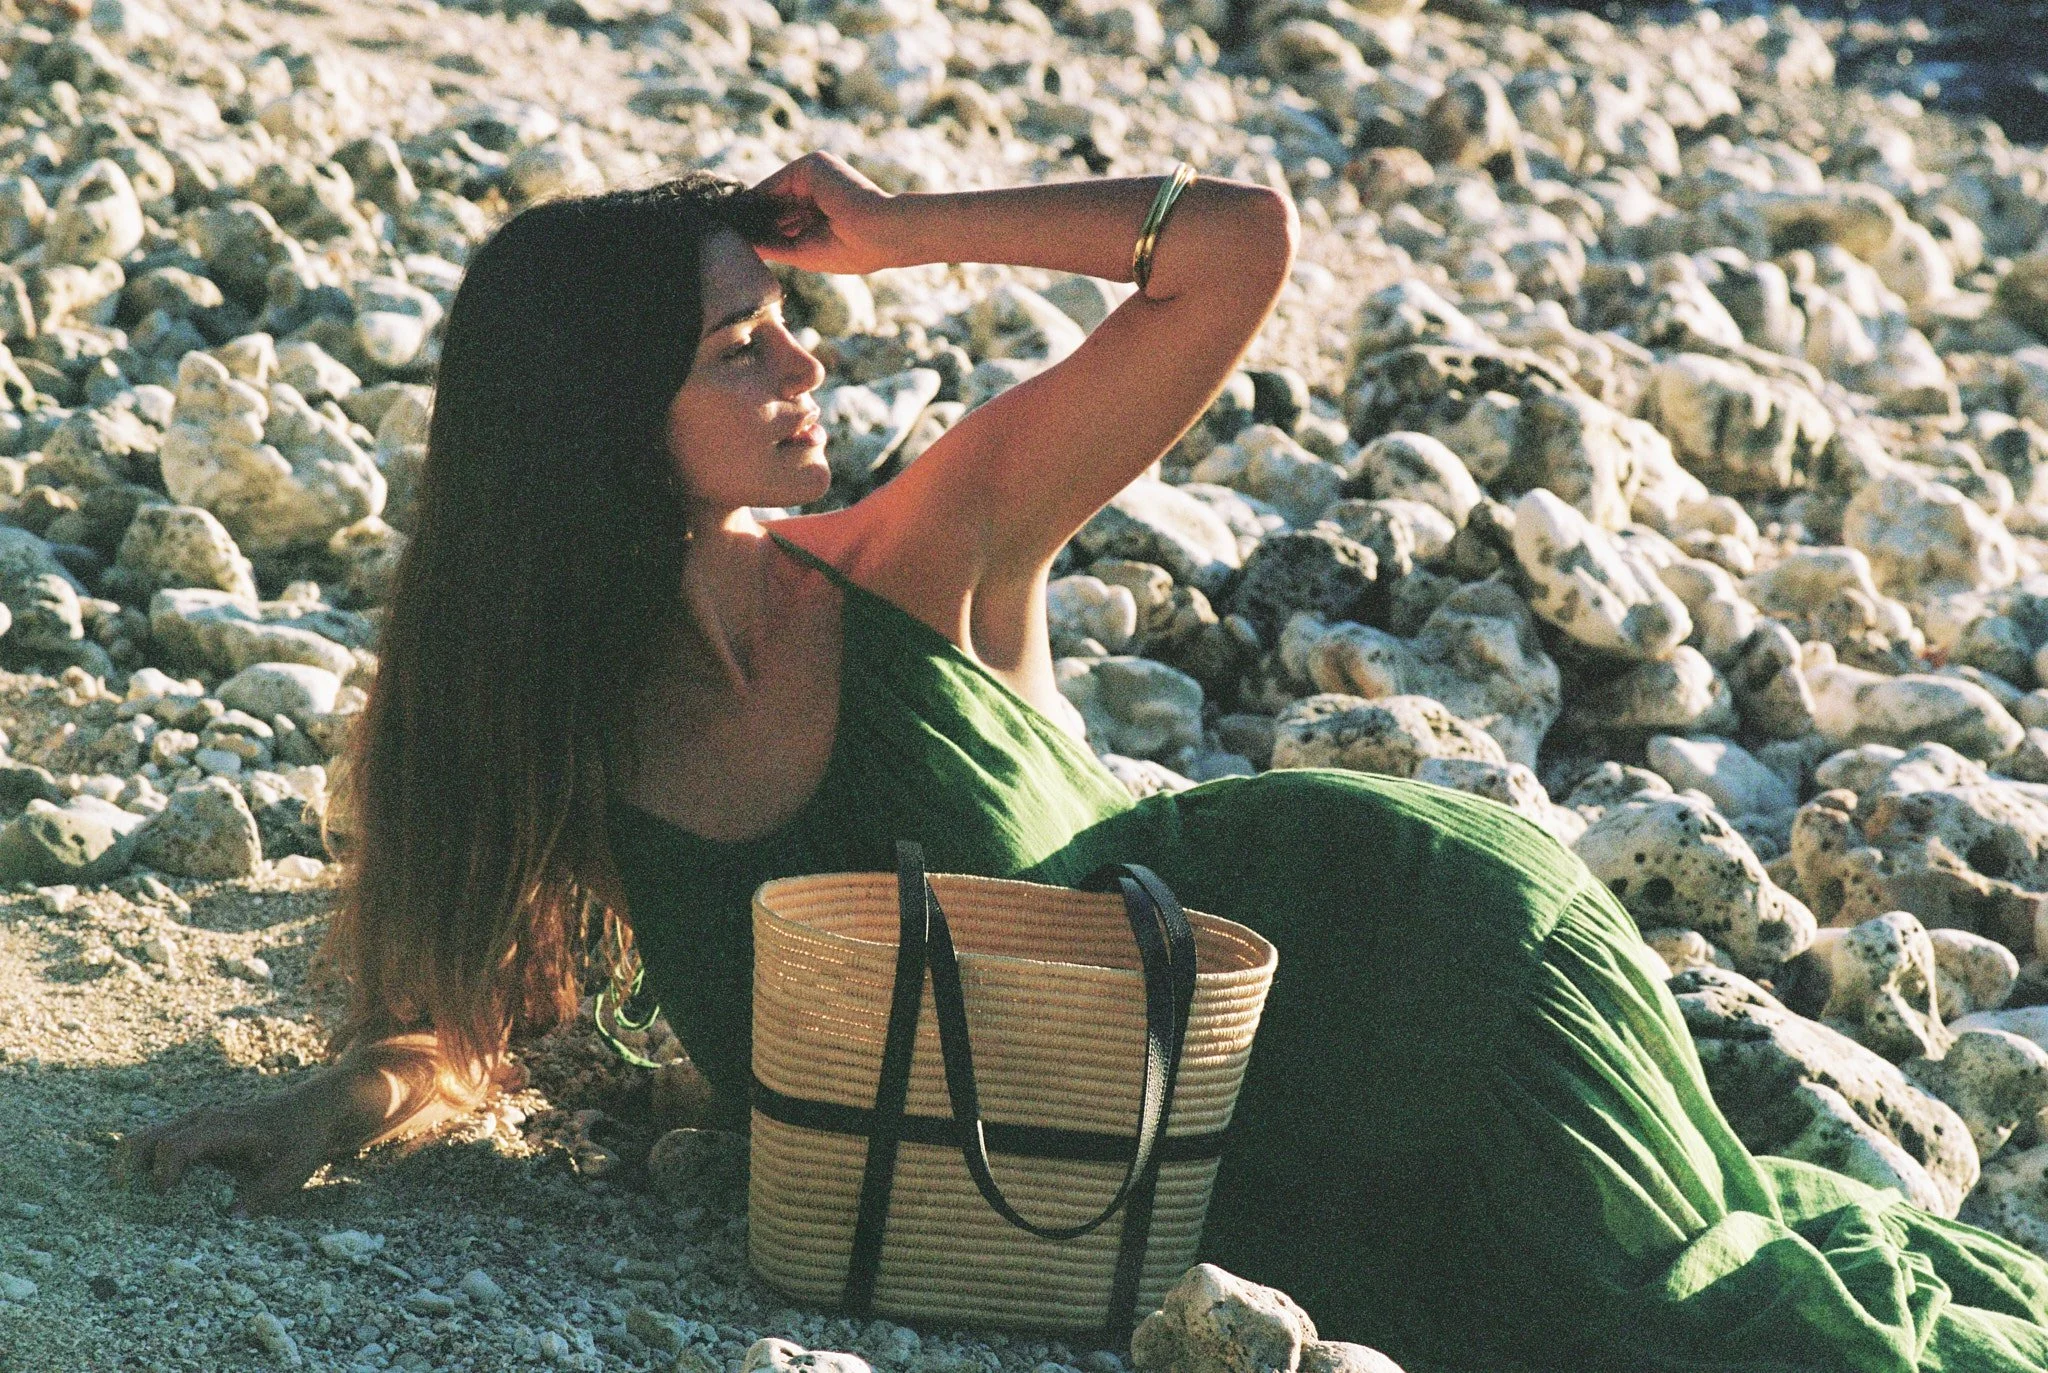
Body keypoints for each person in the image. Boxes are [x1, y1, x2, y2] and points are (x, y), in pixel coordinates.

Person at [118, 152, 2048, 1371]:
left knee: (1699, 1324)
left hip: (1411, 959)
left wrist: (902, 229)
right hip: (1170, 1173)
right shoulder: (535, 725)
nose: (805, 369)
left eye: (790, 323)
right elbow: (459, 1020)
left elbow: (1231, 250)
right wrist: (325, 1117)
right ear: (591, 421)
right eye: (736, 350)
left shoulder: (918, 548)